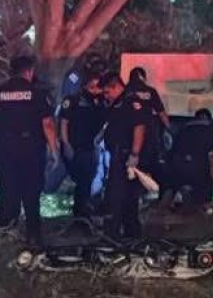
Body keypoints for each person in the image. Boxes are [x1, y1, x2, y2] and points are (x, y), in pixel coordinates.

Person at [0, 56, 58, 247]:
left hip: (6, 149)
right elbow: (47, 124)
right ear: (29, 71)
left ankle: (6, 233)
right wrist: (54, 151)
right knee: (31, 192)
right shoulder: (37, 93)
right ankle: (33, 236)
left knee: (8, 190)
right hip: (32, 149)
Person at [100, 72, 147, 240]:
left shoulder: (130, 102)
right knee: (126, 195)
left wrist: (134, 153)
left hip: (126, 155)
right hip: (118, 154)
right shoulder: (118, 103)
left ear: (116, 86)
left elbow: (139, 127)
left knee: (117, 194)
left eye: (107, 92)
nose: (106, 97)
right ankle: (129, 232)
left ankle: (115, 232)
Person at [59, 71, 106, 218]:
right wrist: (66, 143)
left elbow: (105, 123)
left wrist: (100, 138)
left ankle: (83, 210)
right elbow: (64, 123)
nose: (96, 91)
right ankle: (80, 212)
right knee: (82, 179)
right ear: (85, 86)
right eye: (92, 88)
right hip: (75, 146)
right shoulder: (72, 100)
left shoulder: (101, 102)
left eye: (98, 88)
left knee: (88, 179)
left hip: (91, 147)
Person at [161, 109, 213, 208]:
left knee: (176, 182)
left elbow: (173, 150)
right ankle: (202, 205)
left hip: (175, 166)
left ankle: (174, 198)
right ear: (209, 118)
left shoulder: (184, 128)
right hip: (197, 168)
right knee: (207, 184)